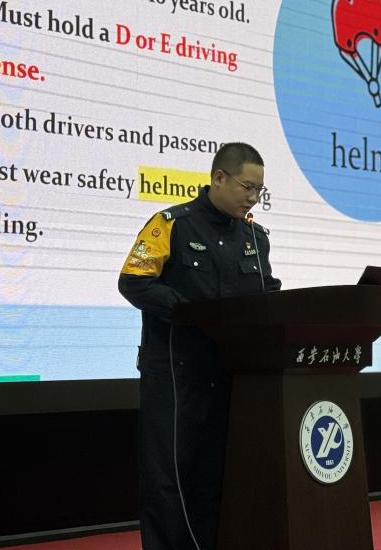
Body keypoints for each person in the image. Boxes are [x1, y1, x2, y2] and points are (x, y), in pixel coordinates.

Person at [119, 142, 281, 550]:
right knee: (169, 478)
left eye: (259, 190)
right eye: (247, 187)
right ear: (219, 178)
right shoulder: (171, 224)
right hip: (175, 373)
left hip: (230, 375)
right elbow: (133, 281)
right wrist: (190, 313)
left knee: (215, 475)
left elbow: (266, 294)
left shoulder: (255, 237)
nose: (253, 197)